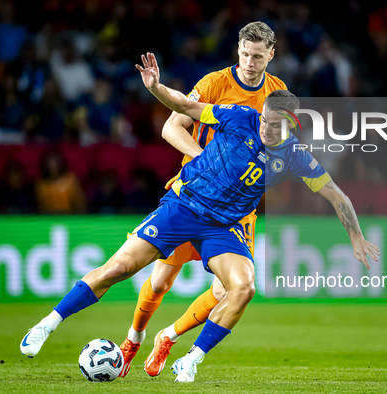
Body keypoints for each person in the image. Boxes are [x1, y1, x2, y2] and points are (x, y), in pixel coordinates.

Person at [19, 53, 380, 384]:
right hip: (184, 206)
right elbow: (186, 106)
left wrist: (356, 236)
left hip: (225, 226)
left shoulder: (296, 155)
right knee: (119, 269)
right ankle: (46, 325)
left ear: (291, 124)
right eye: (265, 121)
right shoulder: (241, 117)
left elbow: (337, 194)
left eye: (275, 125)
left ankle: (190, 358)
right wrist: (157, 88)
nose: (266, 129)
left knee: (244, 287)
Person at [119, 21, 287, 378]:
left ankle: (169, 336)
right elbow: (170, 127)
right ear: (238, 50)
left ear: (271, 55)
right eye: (244, 53)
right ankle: (133, 340)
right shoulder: (213, 84)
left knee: (231, 289)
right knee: (162, 281)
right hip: (195, 196)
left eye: (258, 56)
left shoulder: (277, 93)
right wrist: (204, 161)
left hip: (236, 210)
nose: (249, 62)